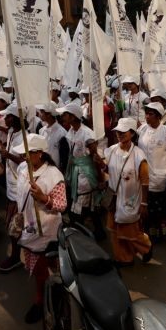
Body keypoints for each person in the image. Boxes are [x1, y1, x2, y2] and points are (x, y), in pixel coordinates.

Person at [12, 134, 66, 323]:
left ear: (40, 153)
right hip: (29, 229)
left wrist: (45, 199)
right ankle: (43, 297)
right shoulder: (22, 169)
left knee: (46, 271)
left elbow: (62, 205)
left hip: (47, 231)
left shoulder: (53, 175)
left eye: (28, 153)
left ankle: (44, 301)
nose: (24, 158)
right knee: (36, 271)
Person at [94, 118, 152, 266]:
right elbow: (108, 170)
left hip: (130, 200)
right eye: (118, 132)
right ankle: (124, 258)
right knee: (115, 231)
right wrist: (100, 163)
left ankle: (146, 247)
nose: (120, 134)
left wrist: (144, 202)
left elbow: (145, 181)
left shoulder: (139, 156)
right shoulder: (112, 150)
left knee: (130, 232)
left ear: (132, 133)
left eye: (123, 132)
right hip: (114, 199)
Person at [57, 103, 104, 240]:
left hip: (86, 174)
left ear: (73, 116)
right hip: (75, 171)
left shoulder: (87, 134)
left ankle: (77, 235)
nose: (62, 117)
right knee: (89, 206)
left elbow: (95, 158)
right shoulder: (71, 132)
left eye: (65, 114)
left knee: (79, 206)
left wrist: (100, 180)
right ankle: (99, 232)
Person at [137, 102, 166, 242]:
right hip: (143, 174)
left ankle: (160, 230)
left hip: (160, 174)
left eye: (150, 114)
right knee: (145, 203)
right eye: (146, 113)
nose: (147, 117)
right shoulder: (142, 129)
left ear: (158, 116)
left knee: (159, 206)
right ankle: (148, 231)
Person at [0, 104, 25, 273]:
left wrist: (10, 156)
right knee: (14, 225)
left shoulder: (24, 137)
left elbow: (26, 163)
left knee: (14, 227)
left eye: (7, 117)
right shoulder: (10, 132)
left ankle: (16, 257)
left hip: (19, 187)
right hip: (11, 185)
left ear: (14, 118)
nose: (4, 119)